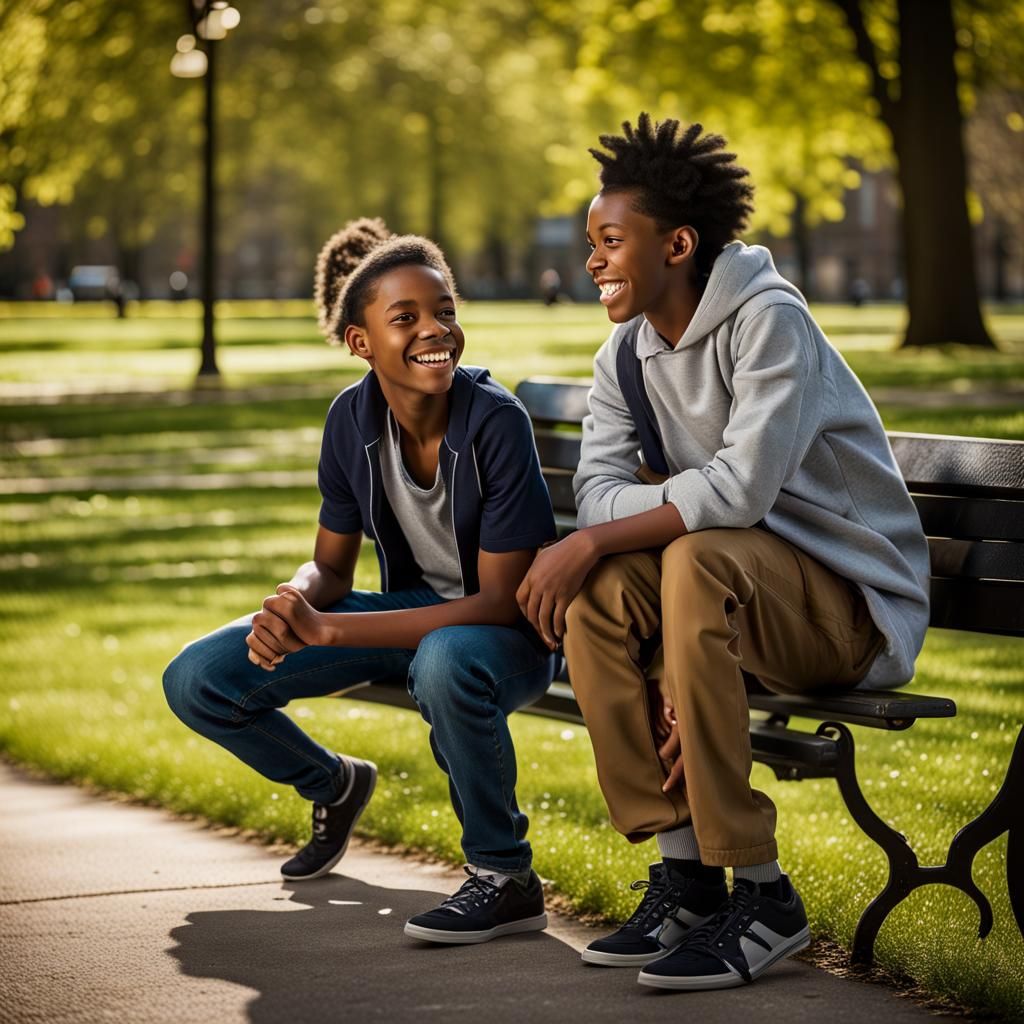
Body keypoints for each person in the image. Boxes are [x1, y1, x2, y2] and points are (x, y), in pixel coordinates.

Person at [516, 115, 930, 990]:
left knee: (688, 557)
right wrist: (599, 541)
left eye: (610, 240)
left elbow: (739, 494)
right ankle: (689, 875)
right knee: (598, 594)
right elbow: (596, 489)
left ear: (678, 243)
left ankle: (766, 892)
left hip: (849, 611)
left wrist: (593, 535)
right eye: (590, 241)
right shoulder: (623, 357)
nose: (591, 259)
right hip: (734, 599)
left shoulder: (768, 322)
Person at [164, 218, 558, 945]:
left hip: (509, 637)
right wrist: (293, 599)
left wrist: (334, 627)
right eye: (404, 318)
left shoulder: (495, 421)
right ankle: (333, 784)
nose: (434, 329)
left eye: (444, 311)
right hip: (412, 618)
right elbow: (332, 565)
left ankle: (505, 878)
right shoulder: (350, 418)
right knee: (197, 678)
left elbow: (503, 601)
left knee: (446, 660)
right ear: (360, 342)